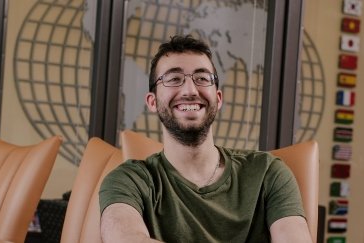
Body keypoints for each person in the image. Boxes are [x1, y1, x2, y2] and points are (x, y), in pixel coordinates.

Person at [99, 35, 312, 242]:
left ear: (218, 98)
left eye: (202, 78)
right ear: (152, 101)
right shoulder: (127, 180)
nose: (190, 90)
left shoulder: (268, 173)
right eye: (174, 79)